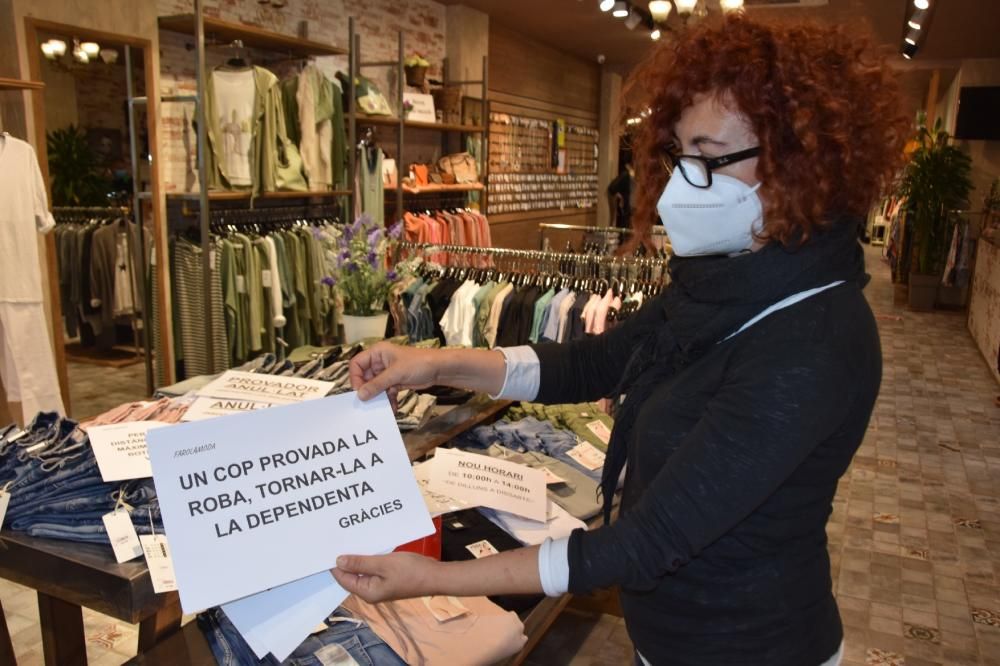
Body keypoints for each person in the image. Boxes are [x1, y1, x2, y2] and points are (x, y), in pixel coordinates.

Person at [333, 14, 908, 666]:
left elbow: (647, 540)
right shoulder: (718, 286)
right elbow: (594, 361)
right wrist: (433, 363)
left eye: (707, 156)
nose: (682, 180)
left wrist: (432, 579)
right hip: (668, 642)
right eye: (679, 154)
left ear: (793, 161)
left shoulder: (816, 338)